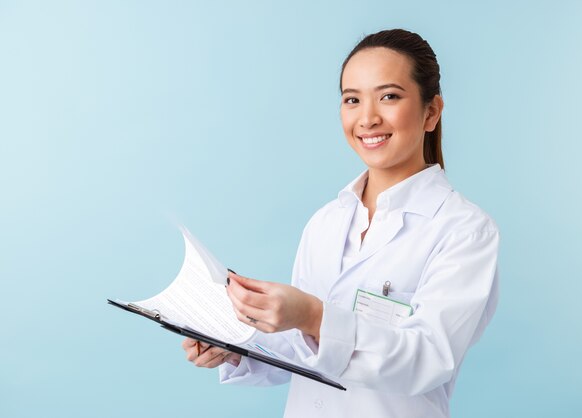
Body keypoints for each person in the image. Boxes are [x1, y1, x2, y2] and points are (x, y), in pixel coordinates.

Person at [182, 28, 499, 418]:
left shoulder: (463, 230)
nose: (367, 118)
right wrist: (235, 347)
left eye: (389, 96)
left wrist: (314, 315)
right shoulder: (326, 222)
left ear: (431, 112)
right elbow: (305, 350)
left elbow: (427, 360)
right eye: (352, 99)